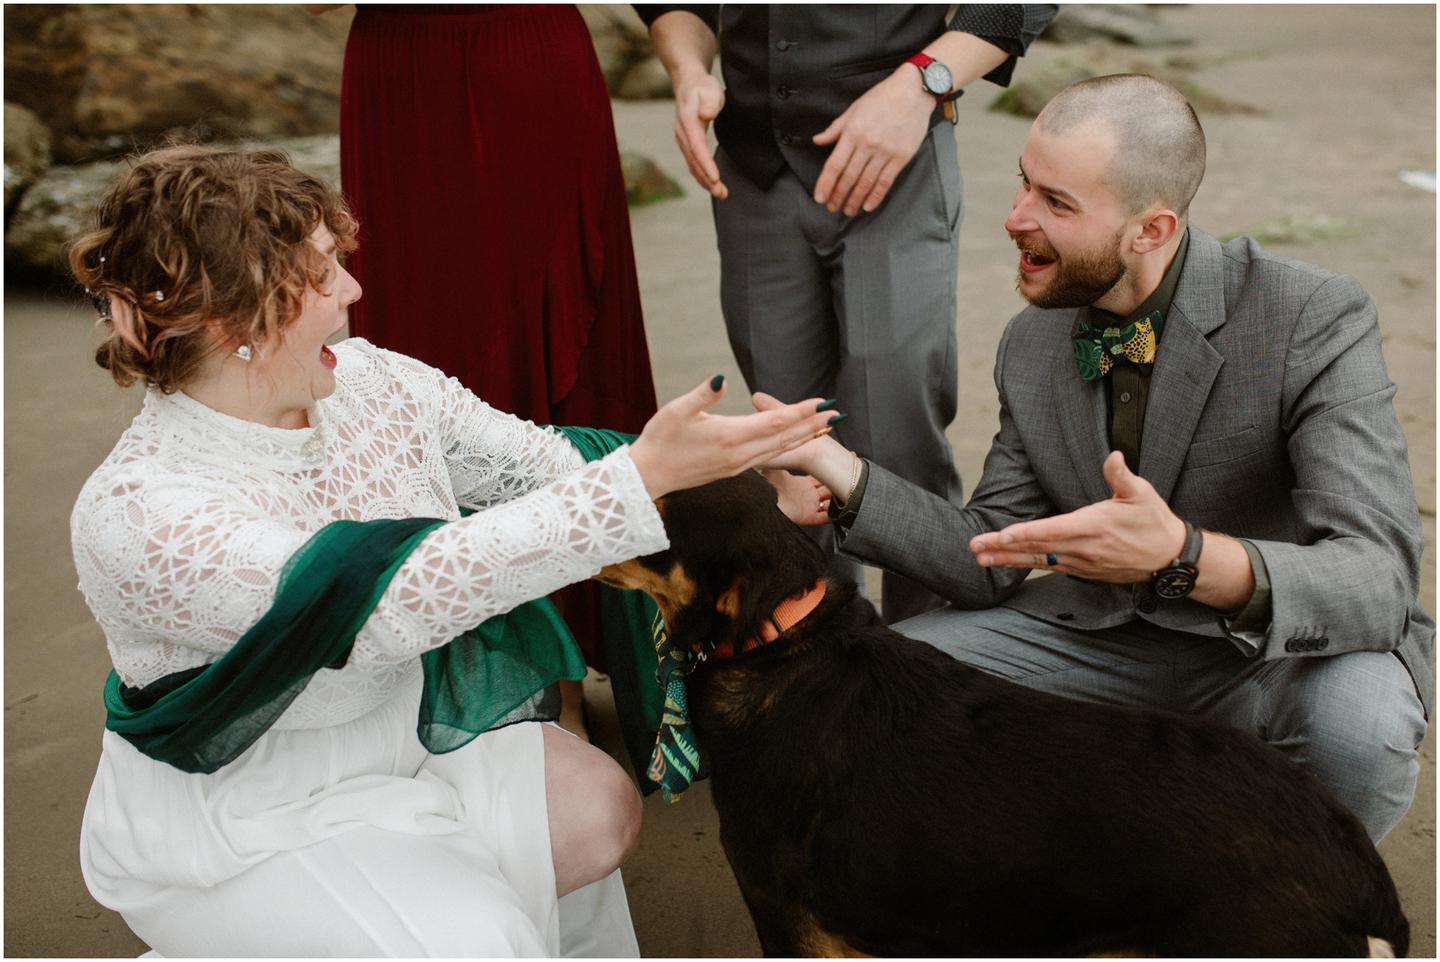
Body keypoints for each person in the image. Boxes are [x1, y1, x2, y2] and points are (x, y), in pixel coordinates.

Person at [67, 144, 836, 957]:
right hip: (249, 811)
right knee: (474, 942)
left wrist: (734, 475)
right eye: (323, 273)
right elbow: (384, 604)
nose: (354, 289)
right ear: (234, 322)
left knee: (596, 814)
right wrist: (640, 479)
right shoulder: (140, 511)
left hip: (409, 734)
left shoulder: (372, 381)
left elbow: (549, 469)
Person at [764, 74, 1432, 844]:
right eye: (1023, 182)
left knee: (1362, 731)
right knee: (889, 685)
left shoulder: (1311, 314)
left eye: (1056, 202)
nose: (1014, 218)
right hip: (1100, 637)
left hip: (1276, 653)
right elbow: (989, 554)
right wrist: (837, 470)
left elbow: (1378, 580)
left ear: (1151, 229)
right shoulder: (1032, 341)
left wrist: (1184, 555)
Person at [640, 4, 1056, 625]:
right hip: (752, 172)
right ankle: (814, 656)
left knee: (897, 429)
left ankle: (929, 651)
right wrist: (689, 69)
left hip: (899, 164)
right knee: (783, 438)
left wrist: (921, 83)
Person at [317, 3, 660, 737]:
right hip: (404, 81)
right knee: (426, 350)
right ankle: (466, 662)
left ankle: (564, 665)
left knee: (558, 336)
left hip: (523, 54)